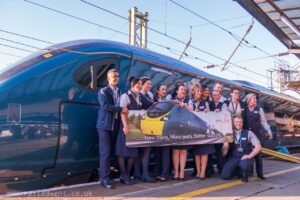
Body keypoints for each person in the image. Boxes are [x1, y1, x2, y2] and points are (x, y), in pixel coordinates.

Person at [96, 69, 121, 189]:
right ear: (108, 79)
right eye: (113, 76)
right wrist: (120, 108)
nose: (116, 78)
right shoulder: (103, 91)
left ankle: (109, 176)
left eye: (117, 76)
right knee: (105, 153)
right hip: (104, 126)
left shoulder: (119, 91)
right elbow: (105, 106)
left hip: (114, 125)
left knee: (111, 152)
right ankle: (104, 179)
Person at [115, 76, 142, 185]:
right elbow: (122, 112)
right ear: (132, 84)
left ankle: (125, 175)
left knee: (133, 153)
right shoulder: (125, 96)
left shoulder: (138, 97)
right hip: (125, 125)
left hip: (135, 126)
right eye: (138, 84)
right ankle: (125, 175)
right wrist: (125, 125)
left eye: (140, 84)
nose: (139, 86)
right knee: (122, 152)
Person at [221, 116, 262, 182]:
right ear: (233, 123)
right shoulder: (229, 134)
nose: (238, 124)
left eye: (240, 122)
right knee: (224, 175)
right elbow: (224, 154)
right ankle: (239, 172)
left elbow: (258, 147)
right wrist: (225, 147)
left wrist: (249, 156)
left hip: (245, 157)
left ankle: (245, 176)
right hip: (235, 157)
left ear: (243, 123)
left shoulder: (249, 133)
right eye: (236, 122)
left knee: (244, 165)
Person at [188, 84, 214, 181]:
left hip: (204, 131)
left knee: (204, 152)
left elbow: (209, 117)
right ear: (193, 92)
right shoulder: (191, 102)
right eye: (197, 91)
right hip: (195, 130)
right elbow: (190, 113)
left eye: (200, 91)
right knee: (197, 152)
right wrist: (195, 110)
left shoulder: (205, 103)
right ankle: (198, 172)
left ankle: (202, 172)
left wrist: (208, 111)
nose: (199, 93)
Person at [244, 93, 273, 179]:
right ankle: (250, 172)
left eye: (255, 99)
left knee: (258, 155)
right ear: (249, 100)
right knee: (249, 153)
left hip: (257, 135)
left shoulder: (259, 109)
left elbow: (264, 122)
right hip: (248, 135)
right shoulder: (245, 110)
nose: (255, 100)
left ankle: (260, 174)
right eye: (253, 99)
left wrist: (269, 131)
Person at [134, 76, 156, 183]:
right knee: (143, 150)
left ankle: (141, 174)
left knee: (145, 150)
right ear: (142, 85)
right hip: (140, 125)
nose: (149, 86)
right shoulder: (138, 95)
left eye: (150, 84)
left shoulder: (149, 95)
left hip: (148, 125)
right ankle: (143, 174)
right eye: (147, 84)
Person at [171, 84, 189, 181]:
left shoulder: (188, 101)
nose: (183, 91)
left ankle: (182, 172)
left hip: (185, 128)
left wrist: (185, 107)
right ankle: (176, 172)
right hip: (175, 128)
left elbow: (193, 111)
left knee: (183, 151)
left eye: (184, 90)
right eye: (181, 89)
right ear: (177, 91)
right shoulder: (172, 100)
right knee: (175, 151)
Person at [153, 84, 170, 181]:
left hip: (165, 130)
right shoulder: (153, 101)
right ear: (158, 91)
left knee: (165, 153)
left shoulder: (168, 102)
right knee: (157, 152)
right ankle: (157, 173)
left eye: (165, 89)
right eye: (162, 89)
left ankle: (164, 174)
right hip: (155, 130)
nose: (164, 91)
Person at [209, 90, 228, 174]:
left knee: (221, 152)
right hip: (212, 133)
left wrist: (219, 112)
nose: (215, 97)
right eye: (214, 95)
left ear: (219, 96)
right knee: (214, 151)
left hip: (221, 132)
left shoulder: (223, 105)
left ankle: (222, 169)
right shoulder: (209, 105)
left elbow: (225, 115)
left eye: (217, 95)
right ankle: (212, 170)